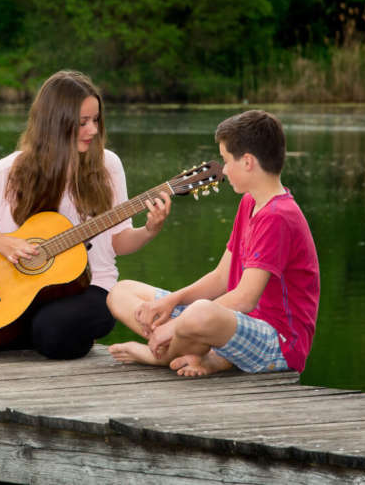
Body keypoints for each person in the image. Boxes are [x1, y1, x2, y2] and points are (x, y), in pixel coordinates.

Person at [0, 70, 172, 360]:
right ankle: (17, 328)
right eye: (82, 123)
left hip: (90, 288)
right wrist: (6, 245)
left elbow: (118, 241)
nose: (93, 130)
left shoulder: (108, 166)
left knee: (53, 331)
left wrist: (149, 230)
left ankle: (11, 331)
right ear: (55, 124)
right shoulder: (13, 170)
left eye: (96, 120)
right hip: (22, 290)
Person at [108, 110, 320, 376]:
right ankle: (205, 353)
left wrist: (175, 325)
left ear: (248, 162)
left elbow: (245, 298)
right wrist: (171, 302)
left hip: (279, 343)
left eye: (226, 160)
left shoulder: (278, 216)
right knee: (121, 292)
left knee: (200, 314)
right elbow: (221, 277)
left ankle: (159, 355)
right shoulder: (250, 202)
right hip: (233, 324)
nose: (224, 170)